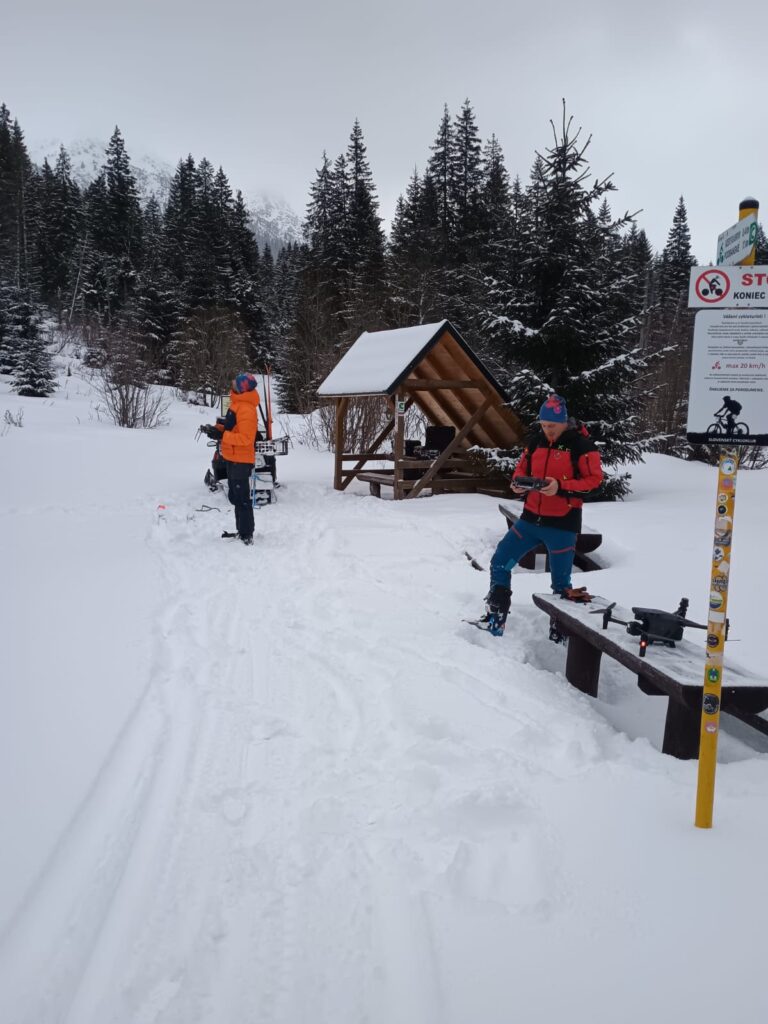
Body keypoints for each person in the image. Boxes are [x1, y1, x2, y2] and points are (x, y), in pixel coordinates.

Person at [477, 393, 603, 636]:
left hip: (562, 526)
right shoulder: (536, 442)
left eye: (552, 426)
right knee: (500, 562)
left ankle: (560, 635)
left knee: (561, 586)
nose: (548, 431)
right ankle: (495, 619)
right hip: (530, 520)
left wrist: (561, 486)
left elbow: (595, 481)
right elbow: (521, 469)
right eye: (544, 425)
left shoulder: (582, 446)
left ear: (564, 422)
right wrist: (517, 484)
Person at [202, 373, 260, 545]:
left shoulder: (247, 409)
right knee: (235, 497)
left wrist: (222, 435)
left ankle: (247, 535)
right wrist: (215, 429)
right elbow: (230, 428)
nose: (232, 382)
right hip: (232, 457)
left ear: (243, 387)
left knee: (242, 499)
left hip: (241, 460)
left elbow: (246, 439)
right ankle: (241, 530)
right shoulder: (237, 404)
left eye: (237, 381)